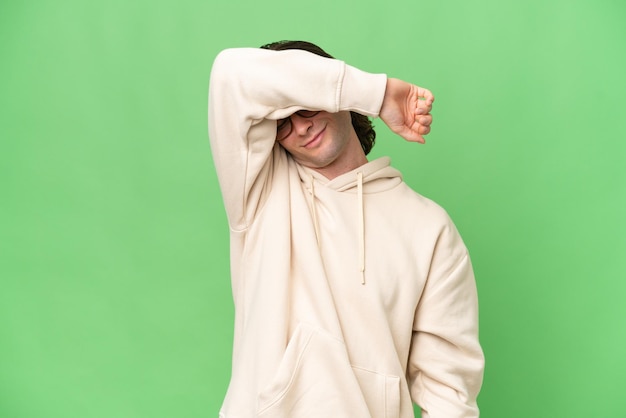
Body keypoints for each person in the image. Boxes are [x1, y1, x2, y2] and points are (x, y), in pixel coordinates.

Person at [208, 40, 484, 418]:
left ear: (337, 98)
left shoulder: (429, 228)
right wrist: (379, 94)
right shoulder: (260, 193)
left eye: (306, 106)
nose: (301, 127)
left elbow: (448, 392)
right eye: (282, 122)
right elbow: (231, 73)